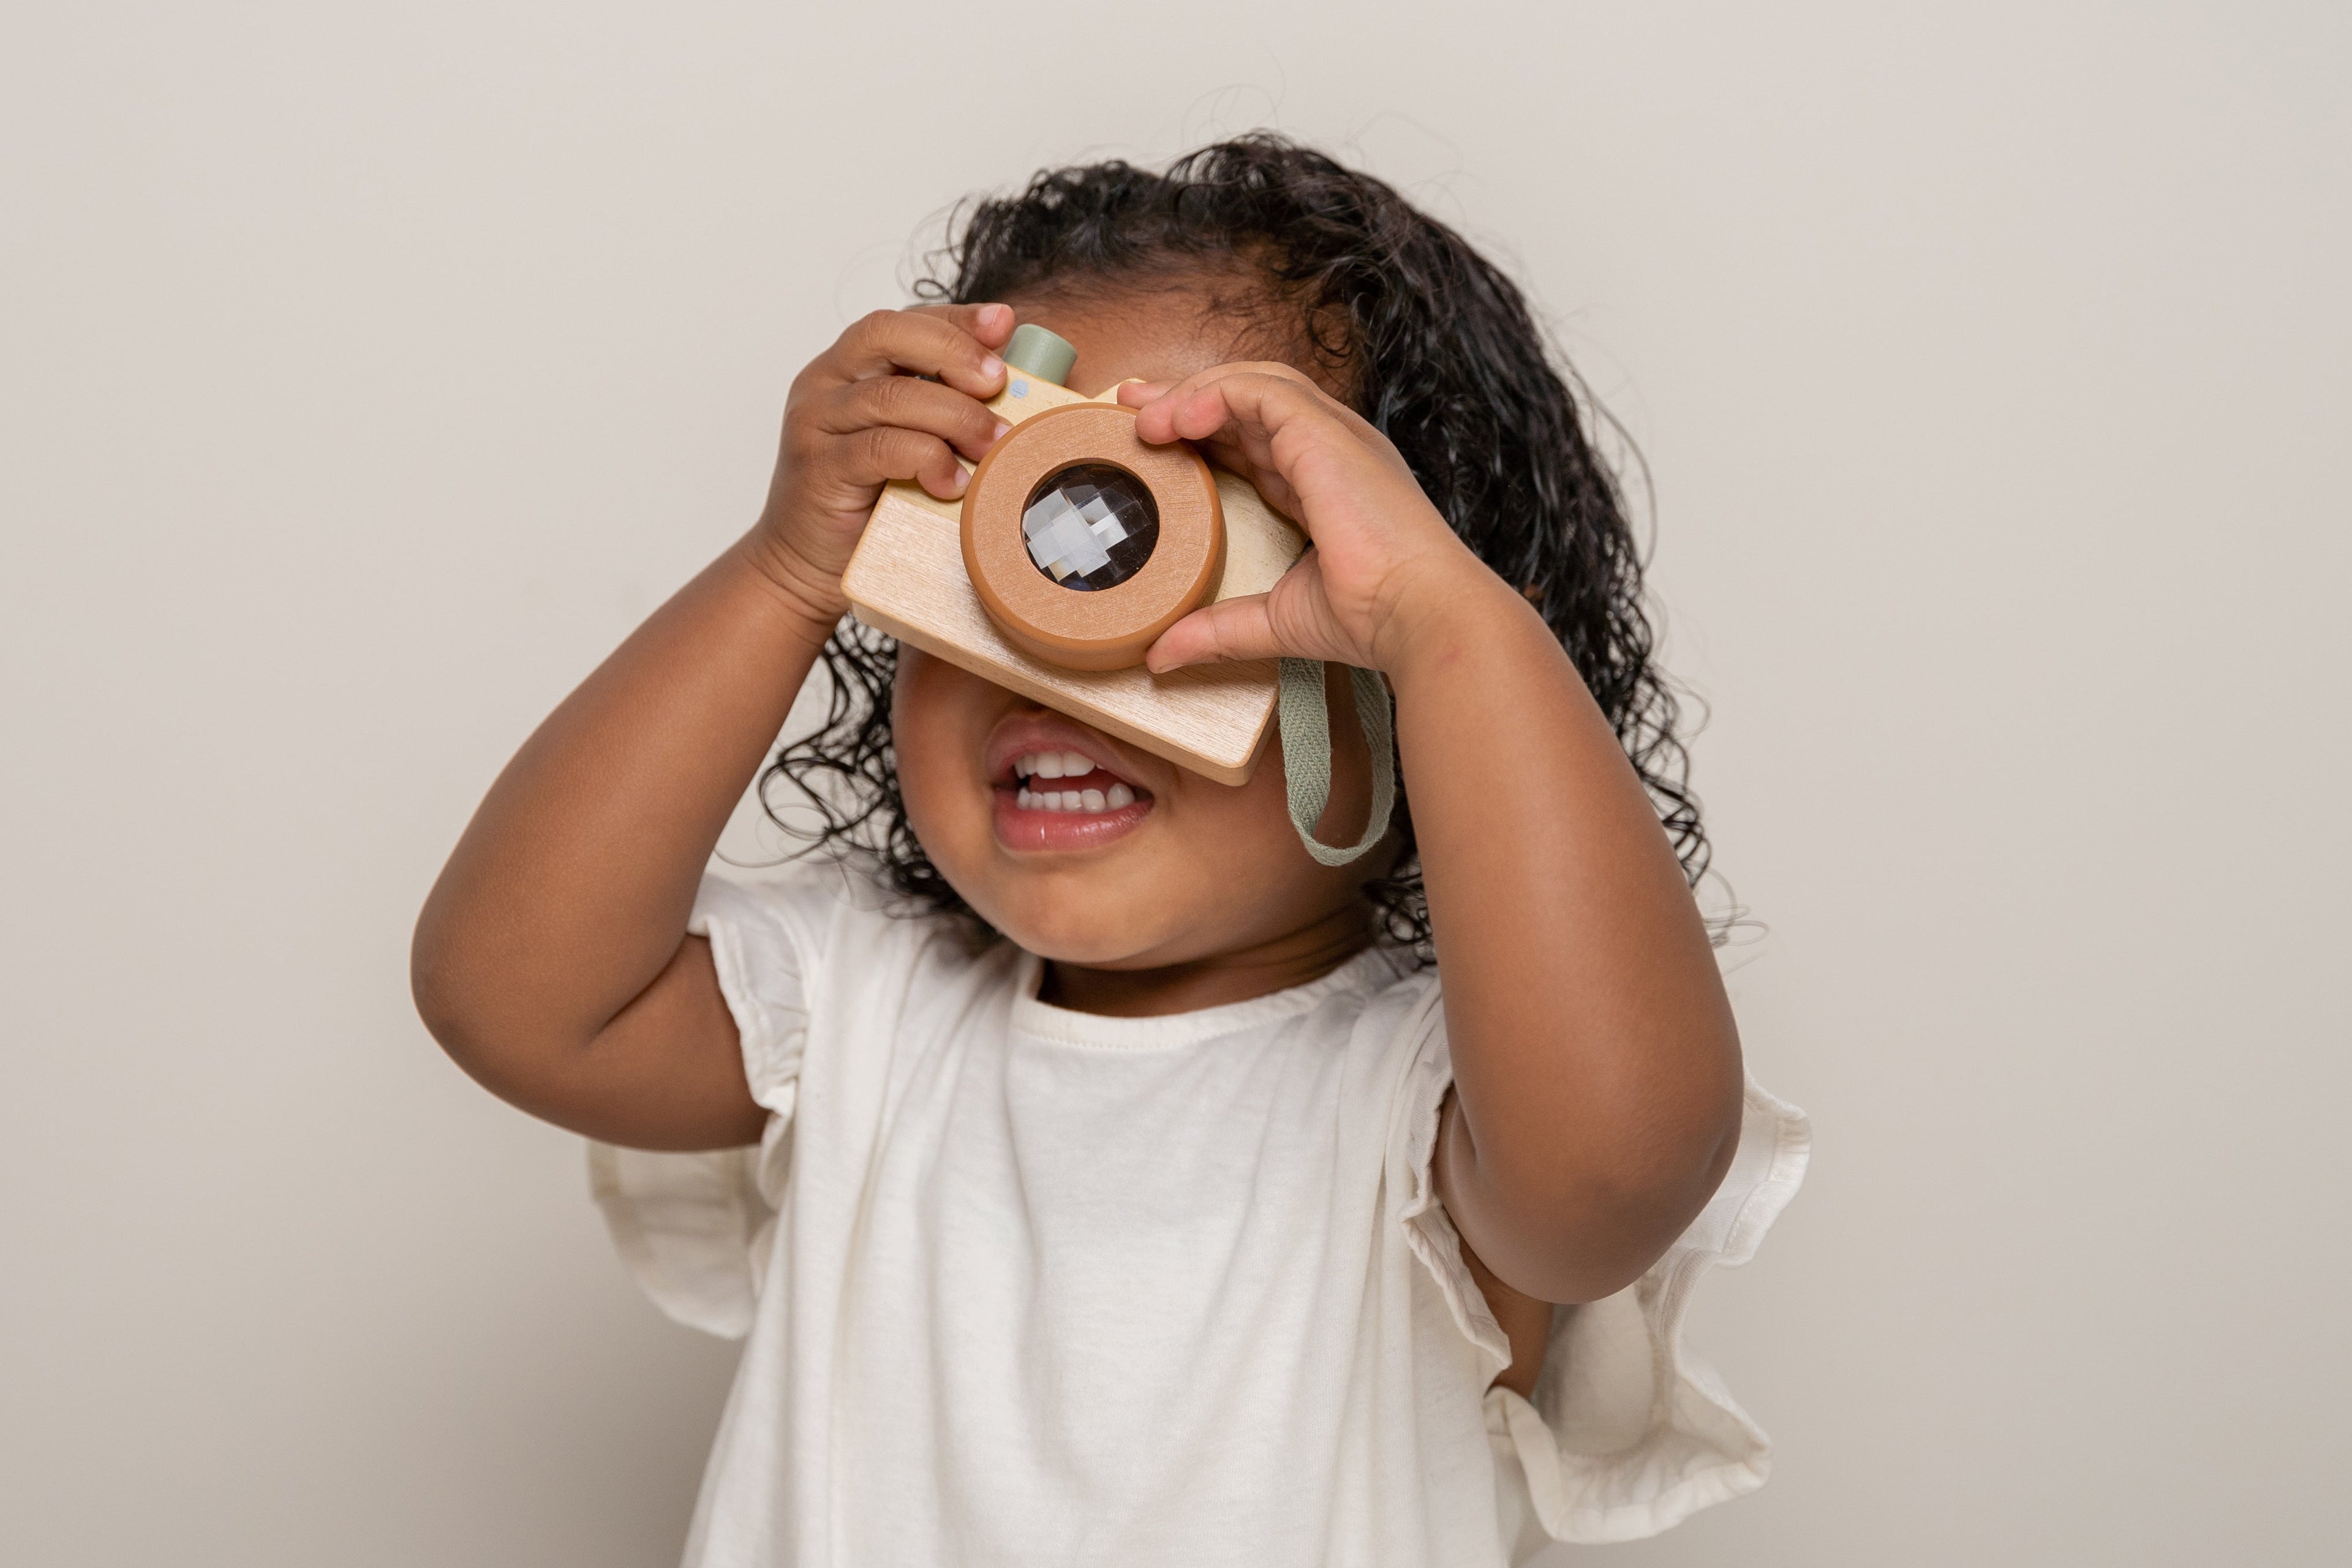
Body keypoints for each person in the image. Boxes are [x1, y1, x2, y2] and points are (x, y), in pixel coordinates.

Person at [411, 135, 1809, 1567]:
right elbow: (509, 993)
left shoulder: (1419, 1107)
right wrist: (788, 562)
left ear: (1400, 692)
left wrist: (1450, 627)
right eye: (1010, 545)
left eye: (1188, 545)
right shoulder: (865, 1015)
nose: (1062, 639)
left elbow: (1611, 1181)